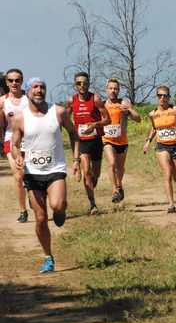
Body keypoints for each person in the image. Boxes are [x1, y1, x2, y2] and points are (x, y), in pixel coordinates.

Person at [12, 78, 79, 273]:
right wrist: (17, 157)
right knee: (40, 218)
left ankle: (61, 210)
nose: (39, 90)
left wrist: (75, 160)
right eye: (35, 87)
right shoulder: (19, 118)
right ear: (28, 92)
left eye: (42, 87)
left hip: (55, 168)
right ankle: (48, 257)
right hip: (33, 172)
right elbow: (15, 144)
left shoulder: (58, 112)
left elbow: (74, 134)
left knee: (57, 205)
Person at [66, 72, 110, 214]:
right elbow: (64, 119)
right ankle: (93, 205)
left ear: (89, 84)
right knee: (87, 172)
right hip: (81, 141)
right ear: (75, 85)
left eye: (85, 83)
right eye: (79, 83)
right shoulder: (71, 101)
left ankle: (92, 183)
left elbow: (107, 119)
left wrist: (95, 124)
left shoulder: (95, 99)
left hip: (96, 140)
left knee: (95, 174)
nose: (82, 86)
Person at [143, 85, 176, 213]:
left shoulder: (175, 110)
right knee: (167, 172)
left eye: (165, 95)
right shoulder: (153, 114)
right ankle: (171, 204)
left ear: (169, 97)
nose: (162, 98)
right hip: (162, 146)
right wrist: (148, 141)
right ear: (157, 97)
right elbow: (154, 129)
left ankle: (175, 170)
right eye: (160, 95)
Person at [103, 78, 141, 202]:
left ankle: (119, 186)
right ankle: (115, 190)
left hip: (122, 141)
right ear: (106, 90)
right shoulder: (102, 105)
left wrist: (129, 110)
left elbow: (138, 118)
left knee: (120, 168)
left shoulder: (124, 103)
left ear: (118, 90)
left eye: (115, 88)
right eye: (111, 88)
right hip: (107, 140)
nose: (113, 91)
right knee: (112, 163)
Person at [0, 68, 29, 221]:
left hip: (29, 140)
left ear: (22, 81)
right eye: (11, 80)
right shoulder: (2, 101)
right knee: (18, 175)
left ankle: (32, 192)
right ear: (6, 82)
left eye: (17, 80)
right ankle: (23, 210)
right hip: (10, 139)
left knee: (28, 174)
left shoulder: (29, 99)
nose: (14, 83)